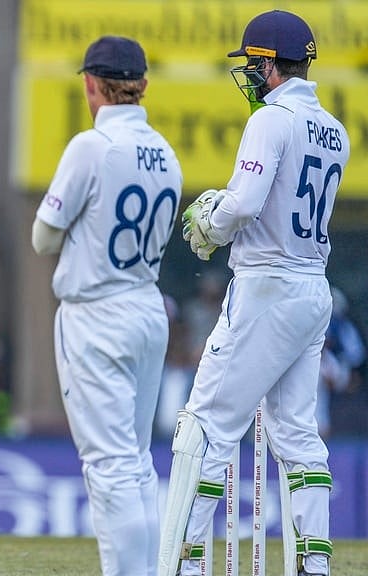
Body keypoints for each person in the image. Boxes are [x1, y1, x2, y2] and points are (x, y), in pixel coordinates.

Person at [159, 11, 349, 576]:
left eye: (251, 65)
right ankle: (313, 565)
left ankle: (183, 565)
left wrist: (212, 225)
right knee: (296, 434)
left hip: (267, 286)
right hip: (313, 289)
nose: (247, 76)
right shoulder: (334, 130)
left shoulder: (272, 119)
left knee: (205, 427)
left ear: (269, 65)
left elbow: (243, 203)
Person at [31, 36, 182, 576]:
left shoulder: (89, 148)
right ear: (141, 87)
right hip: (146, 306)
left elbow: (43, 239)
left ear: (92, 85)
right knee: (137, 463)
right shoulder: (166, 151)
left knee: (110, 467)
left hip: (96, 312)